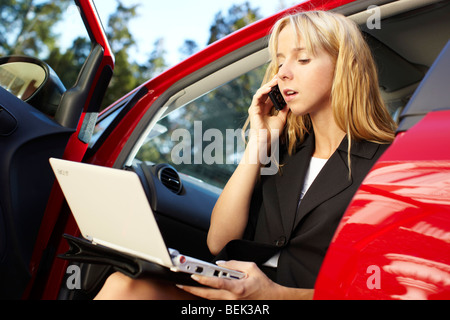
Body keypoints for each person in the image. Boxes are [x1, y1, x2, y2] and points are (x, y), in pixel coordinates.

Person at [95, 10, 396, 300]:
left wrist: (277, 296)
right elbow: (219, 242)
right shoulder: (284, 153)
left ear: (345, 66)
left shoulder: (392, 164)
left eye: (302, 59)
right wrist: (258, 143)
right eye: (279, 61)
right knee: (124, 286)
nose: (284, 73)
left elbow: (384, 289)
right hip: (238, 297)